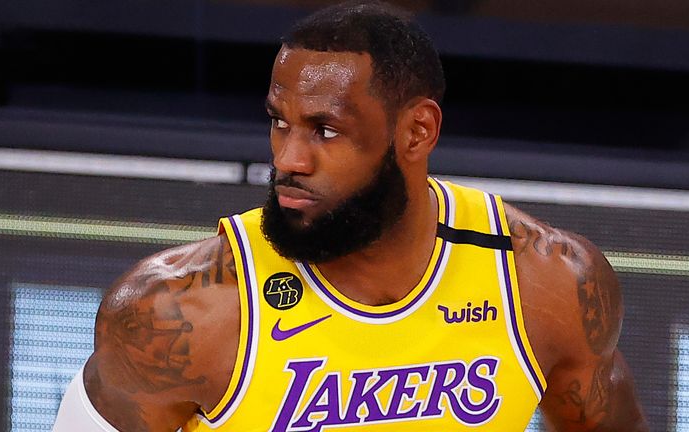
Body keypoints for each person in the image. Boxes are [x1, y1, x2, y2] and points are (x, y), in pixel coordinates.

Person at [54, 1, 649, 430]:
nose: (288, 159)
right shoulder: (175, 311)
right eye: (279, 121)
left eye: (326, 130)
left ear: (417, 131)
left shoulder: (548, 283)